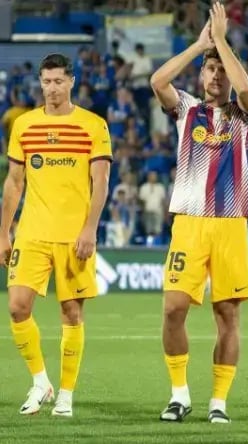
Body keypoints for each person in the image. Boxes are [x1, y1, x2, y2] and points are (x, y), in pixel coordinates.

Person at [150, 3, 248, 424]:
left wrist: (223, 43)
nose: (216, 76)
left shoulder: (244, 116)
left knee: (227, 314)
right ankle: (179, 395)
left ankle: (219, 402)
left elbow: (246, 90)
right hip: (190, 223)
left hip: (230, 224)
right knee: (173, 308)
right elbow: (157, 80)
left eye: (221, 70)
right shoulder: (186, 109)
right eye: (209, 70)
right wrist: (201, 45)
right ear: (200, 75)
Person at [0, 53, 112, 417]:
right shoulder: (24, 124)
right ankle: (40, 381)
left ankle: (65, 393)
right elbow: (14, 183)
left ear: (72, 82)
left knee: (71, 313)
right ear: (40, 82)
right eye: (46, 82)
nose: (52, 88)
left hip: (73, 235)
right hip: (32, 231)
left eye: (58, 81)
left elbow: (101, 182)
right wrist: (4, 233)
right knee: (17, 307)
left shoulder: (93, 125)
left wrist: (90, 228)